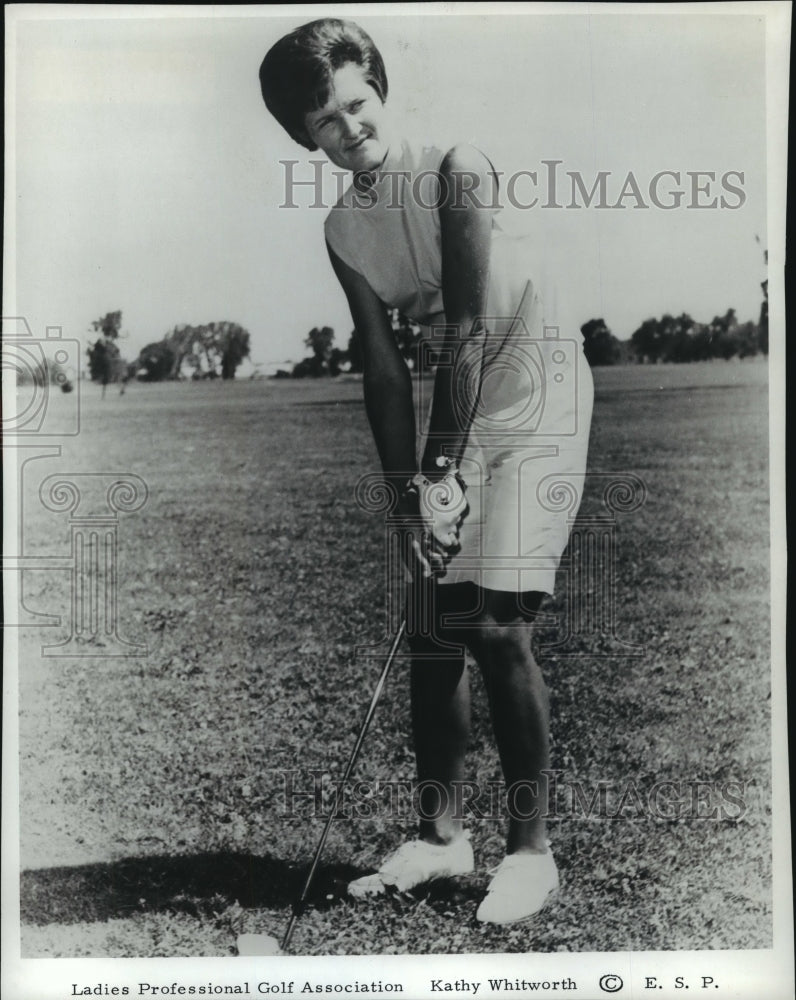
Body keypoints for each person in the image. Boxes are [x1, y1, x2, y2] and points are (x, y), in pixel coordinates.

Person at [259, 18, 594, 926]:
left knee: (493, 623)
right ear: (304, 136)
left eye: (356, 102)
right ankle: (442, 840)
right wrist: (409, 498)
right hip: (462, 402)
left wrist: (443, 466)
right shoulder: (342, 229)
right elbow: (378, 364)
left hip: (534, 400)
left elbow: (470, 333)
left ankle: (531, 854)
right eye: (323, 120)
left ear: (380, 91)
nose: (348, 127)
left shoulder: (455, 166)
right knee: (432, 626)